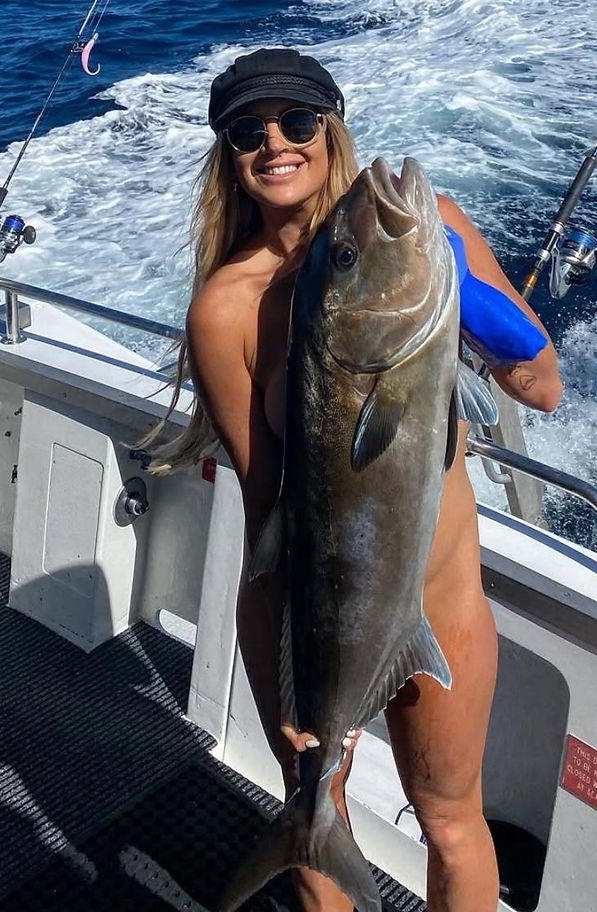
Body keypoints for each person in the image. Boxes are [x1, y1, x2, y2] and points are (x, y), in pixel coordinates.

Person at [142, 48, 562, 911]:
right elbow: (265, 510)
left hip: (441, 601)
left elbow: (542, 386)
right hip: (319, 621)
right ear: (227, 153)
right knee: (316, 808)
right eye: (246, 131)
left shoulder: (421, 229)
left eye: (297, 122)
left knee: (450, 823)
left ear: (329, 129)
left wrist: (459, 289)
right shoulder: (228, 307)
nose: (275, 144)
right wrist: (281, 667)